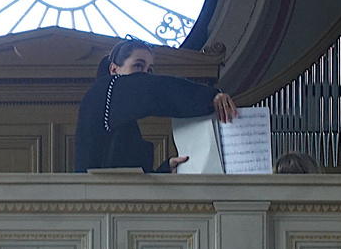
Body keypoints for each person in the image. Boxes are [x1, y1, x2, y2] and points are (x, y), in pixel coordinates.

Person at [74, 39, 237, 173]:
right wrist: (210, 96)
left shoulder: (122, 118)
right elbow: (156, 89)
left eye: (149, 70)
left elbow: (127, 174)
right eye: (138, 66)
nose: (144, 74)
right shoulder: (104, 90)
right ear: (114, 69)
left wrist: (164, 171)